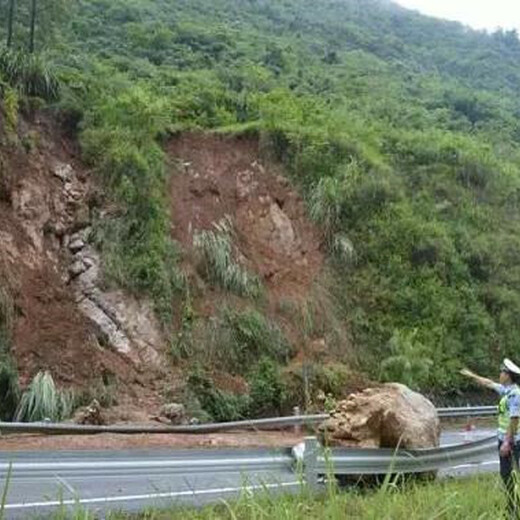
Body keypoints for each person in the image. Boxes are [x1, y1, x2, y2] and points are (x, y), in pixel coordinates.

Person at [461, 359, 520, 518]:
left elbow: (514, 419)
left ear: (509, 376)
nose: (499, 374)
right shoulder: (506, 390)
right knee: (506, 476)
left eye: (502, 372)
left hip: (513, 442)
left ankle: (514, 509)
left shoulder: (515, 394)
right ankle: (512, 508)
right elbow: (488, 383)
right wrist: (471, 375)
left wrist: (507, 442)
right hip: (504, 439)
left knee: (512, 475)